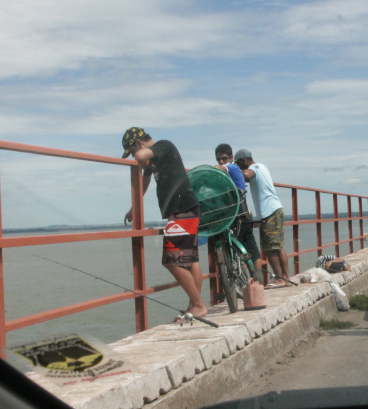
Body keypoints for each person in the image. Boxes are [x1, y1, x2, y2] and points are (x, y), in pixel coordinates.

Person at [120, 127, 207, 320]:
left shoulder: (164, 146)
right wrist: (134, 207)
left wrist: (140, 157)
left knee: (170, 261)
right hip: (187, 209)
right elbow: (144, 182)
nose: (135, 158)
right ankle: (194, 307)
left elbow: (142, 155)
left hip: (181, 211)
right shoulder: (155, 161)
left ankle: (199, 305)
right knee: (191, 261)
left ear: (139, 143)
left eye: (132, 151)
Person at [233, 149, 290, 288]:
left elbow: (247, 174)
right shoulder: (262, 166)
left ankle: (280, 279)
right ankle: (286, 278)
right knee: (277, 246)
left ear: (245, 160)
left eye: (239, 164)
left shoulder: (255, 167)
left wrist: (232, 172)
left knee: (270, 248)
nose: (239, 167)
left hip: (270, 211)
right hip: (273, 210)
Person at [214, 143, 265, 285]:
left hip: (237, 217)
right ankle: (257, 284)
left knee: (240, 251)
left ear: (231, 157)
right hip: (243, 214)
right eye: (218, 159)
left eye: (223, 158)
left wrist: (206, 171)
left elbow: (220, 169)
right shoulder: (230, 171)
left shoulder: (231, 167)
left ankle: (251, 282)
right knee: (250, 249)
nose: (221, 162)